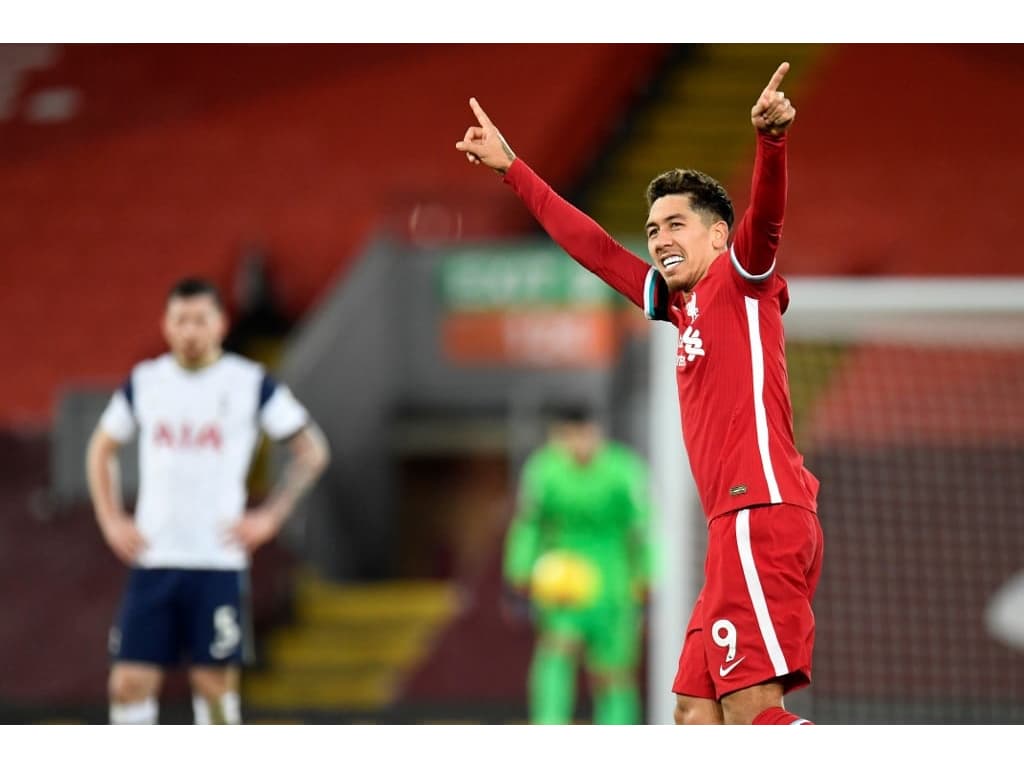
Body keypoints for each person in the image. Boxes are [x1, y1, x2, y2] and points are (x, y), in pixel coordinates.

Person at [456, 61, 823, 725]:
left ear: (717, 233)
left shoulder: (742, 281)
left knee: (748, 708)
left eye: (675, 224)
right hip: (730, 527)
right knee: (693, 711)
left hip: (760, 511)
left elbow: (765, 220)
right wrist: (513, 168)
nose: (659, 239)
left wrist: (771, 143)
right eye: (652, 230)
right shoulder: (675, 306)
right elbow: (594, 248)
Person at [85, 276, 330, 725]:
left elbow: (311, 449)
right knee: (128, 682)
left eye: (200, 319)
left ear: (220, 323)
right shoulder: (146, 381)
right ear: (166, 325)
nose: (190, 330)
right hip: (154, 557)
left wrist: (272, 515)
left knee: (214, 686)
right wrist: (110, 517)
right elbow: (101, 448)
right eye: (181, 320)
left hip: (217, 560)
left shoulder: (249, 382)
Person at [502, 401, 653, 724]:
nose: (578, 443)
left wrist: (647, 573)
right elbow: (529, 523)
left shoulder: (624, 469)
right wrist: (520, 569)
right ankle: (549, 728)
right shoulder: (544, 470)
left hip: (614, 582)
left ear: (597, 432)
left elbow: (642, 528)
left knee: (614, 671)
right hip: (562, 579)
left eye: (584, 433)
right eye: (569, 435)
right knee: (557, 651)